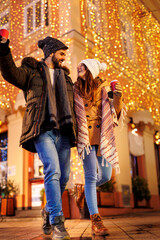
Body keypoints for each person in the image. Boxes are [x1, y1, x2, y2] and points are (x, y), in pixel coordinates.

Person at [0, 35, 77, 240]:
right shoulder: (32, 72)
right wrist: (3, 50)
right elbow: (11, 74)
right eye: (61, 54)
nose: (63, 58)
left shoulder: (66, 78)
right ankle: (58, 223)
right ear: (51, 52)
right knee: (52, 170)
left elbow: (75, 104)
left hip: (64, 132)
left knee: (64, 176)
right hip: (42, 130)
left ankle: (48, 210)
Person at [74, 59, 125, 236]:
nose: (78, 68)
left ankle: (82, 191)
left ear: (91, 70)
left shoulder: (103, 91)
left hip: (102, 136)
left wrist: (117, 97)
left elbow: (115, 114)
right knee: (90, 176)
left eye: (83, 66)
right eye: (78, 66)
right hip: (85, 137)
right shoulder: (74, 89)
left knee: (105, 175)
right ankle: (96, 220)